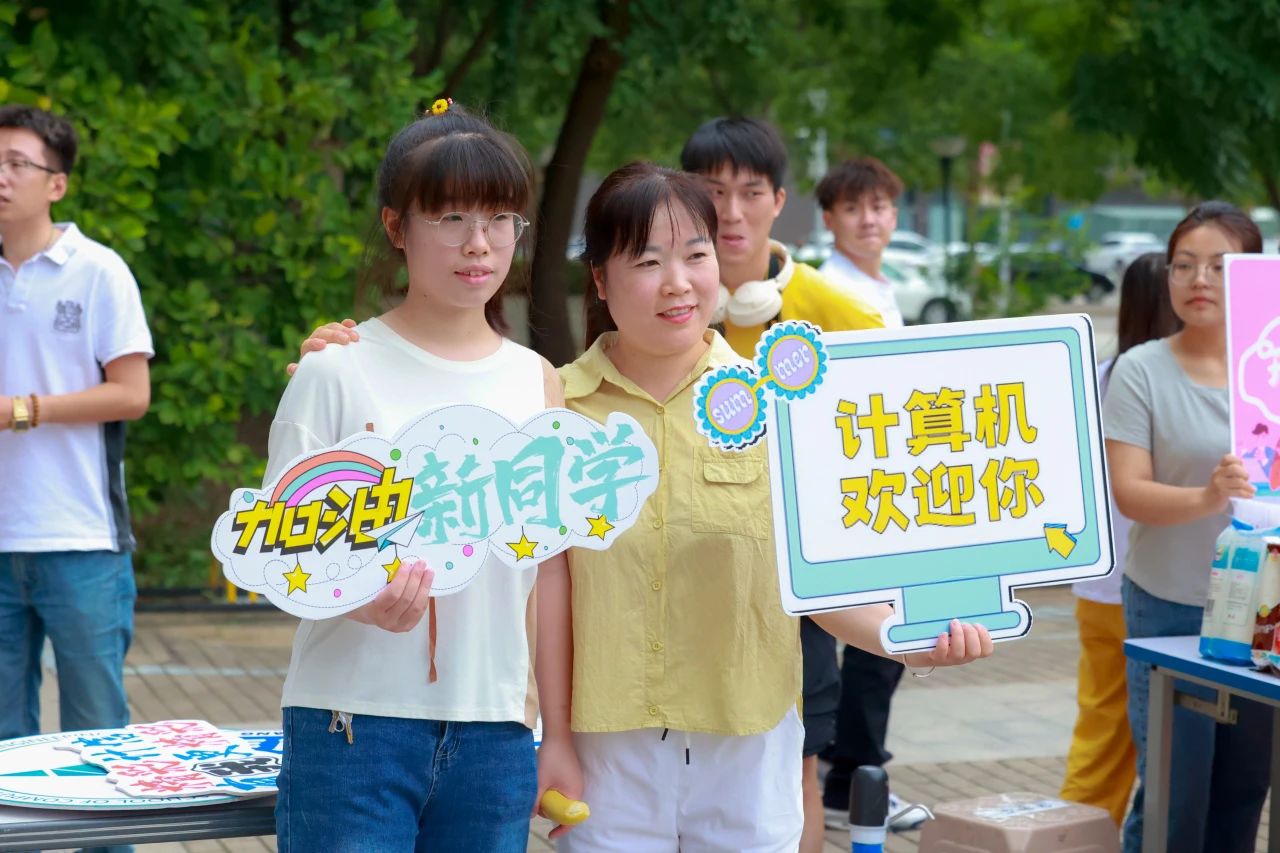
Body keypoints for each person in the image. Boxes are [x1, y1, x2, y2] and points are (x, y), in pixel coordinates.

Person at [292, 160, 993, 851]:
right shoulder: (548, 406)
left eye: (696, 255)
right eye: (648, 261)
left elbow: (815, 580)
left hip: (746, 739)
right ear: (600, 279)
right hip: (607, 749)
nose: (677, 282)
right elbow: (543, 581)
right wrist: (347, 361)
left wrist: (909, 638)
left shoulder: (777, 408)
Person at [268, 102, 579, 851]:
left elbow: (551, 572)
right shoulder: (336, 370)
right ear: (396, 226)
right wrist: (357, 597)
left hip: (495, 735)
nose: (479, 243)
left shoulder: (538, 381)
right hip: (351, 725)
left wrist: (556, 734)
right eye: (450, 218)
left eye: (500, 219)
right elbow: (276, 550)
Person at [679, 117, 890, 849]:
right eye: (713, 193)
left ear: (779, 200)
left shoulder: (842, 314)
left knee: (797, 763)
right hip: (686, 572)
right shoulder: (659, 304)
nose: (731, 213)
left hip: (793, 583)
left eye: (750, 192)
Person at [1104, 202, 1272, 853]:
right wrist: (1209, 496)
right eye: (1184, 265)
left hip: (1263, 612)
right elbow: (1130, 493)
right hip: (1169, 606)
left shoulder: (1271, 372)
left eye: (1220, 266)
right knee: (1175, 794)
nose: (1199, 279)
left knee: (1244, 790)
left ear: (1252, 276)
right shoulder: (1141, 369)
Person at [0, 104, 152, 762]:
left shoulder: (98, 271)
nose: (1, 176)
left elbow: (132, 394)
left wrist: (21, 410)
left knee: (98, 739)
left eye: (16, 163)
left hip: (82, 539)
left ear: (56, 183)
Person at [1059, 252, 1177, 826]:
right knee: (1153, 742)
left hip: (1097, 586)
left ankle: (1075, 835)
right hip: (1150, 585)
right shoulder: (1161, 381)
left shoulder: (1097, 376)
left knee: (1102, 733)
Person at [816, 156, 906, 328]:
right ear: (828, 220)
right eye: (852, 209)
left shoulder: (881, 283)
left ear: (893, 217)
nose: (868, 220)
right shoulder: (829, 290)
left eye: (878, 207)